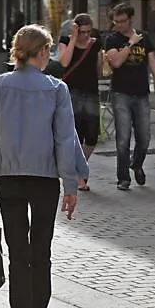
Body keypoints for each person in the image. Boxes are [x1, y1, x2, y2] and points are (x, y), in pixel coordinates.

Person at [0, 26, 86, 308]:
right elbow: (65, 139)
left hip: (9, 178)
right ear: (42, 52)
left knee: (17, 252)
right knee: (41, 249)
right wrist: (71, 184)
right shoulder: (55, 89)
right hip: (44, 179)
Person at [101, 4, 155, 191]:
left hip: (142, 92)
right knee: (123, 138)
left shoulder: (144, 38)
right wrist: (130, 43)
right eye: (116, 22)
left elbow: (152, 61)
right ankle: (123, 178)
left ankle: (136, 164)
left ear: (131, 19)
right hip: (121, 93)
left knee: (144, 137)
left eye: (123, 21)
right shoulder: (112, 39)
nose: (119, 25)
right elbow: (117, 62)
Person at [57, 13, 101, 191]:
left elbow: (98, 69)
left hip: (91, 91)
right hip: (71, 92)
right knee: (75, 134)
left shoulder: (95, 44)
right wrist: (73, 39)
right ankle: (79, 175)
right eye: (82, 32)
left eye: (89, 32)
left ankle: (79, 169)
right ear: (76, 29)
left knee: (91, 136)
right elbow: (65, 62)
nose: (86, 35)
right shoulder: (65, 40)